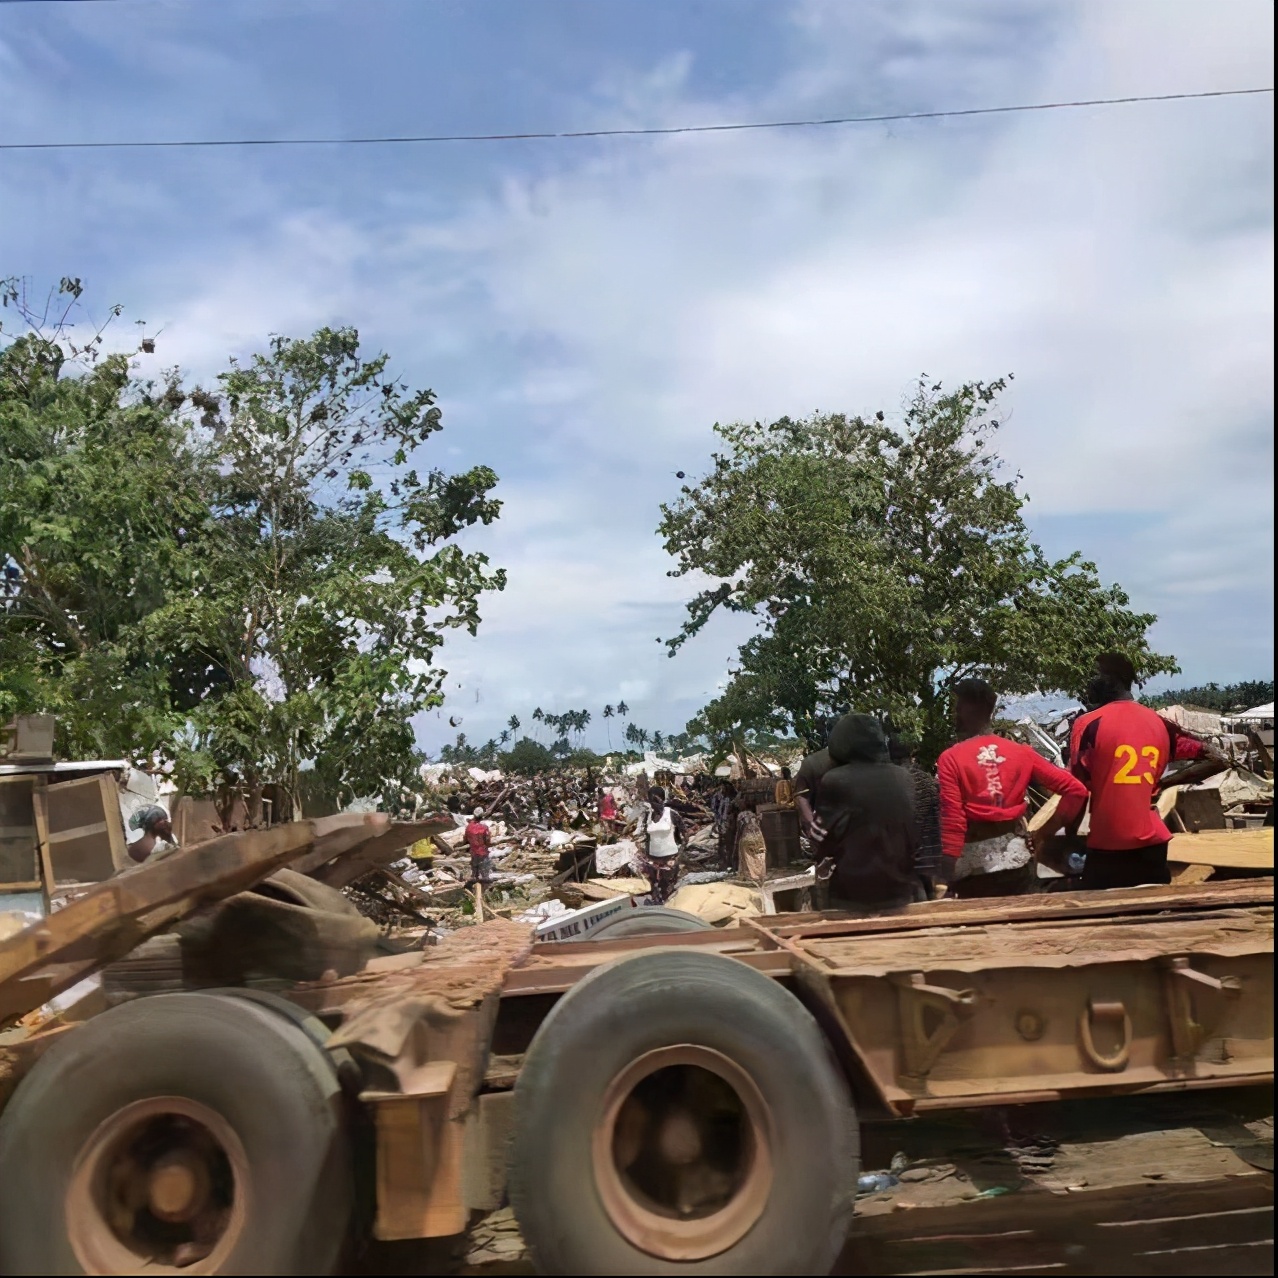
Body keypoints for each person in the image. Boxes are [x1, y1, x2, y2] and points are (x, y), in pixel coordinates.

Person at [1069, 653, 1227, 889]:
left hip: (1108, 845)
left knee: (1101, 918)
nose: (1090, 682)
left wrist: (1069, 837)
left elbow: (1077, 789)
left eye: (1096, 675)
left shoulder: (1087, 724)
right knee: (1154, 915)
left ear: (1113, 679)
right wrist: (1165, 783)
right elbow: (1217, 758)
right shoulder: (1159, 723)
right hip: (1153, 846)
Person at [936, 679, 1088, 898]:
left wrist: (946, 870)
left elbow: (953, 821)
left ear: (968, 709)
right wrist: (1044, 833)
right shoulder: (1021, 752)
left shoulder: (950, 758)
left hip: (974, 872)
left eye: (958, 707)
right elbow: (1076, 791)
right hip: (1017, 861)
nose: (955, 713)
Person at [811, 714, 921, 912]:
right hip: (901, 893)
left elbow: (819, 840)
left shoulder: (835, 780)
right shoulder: (904, 777)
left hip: (852, 895)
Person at [889, 735, 944, 896]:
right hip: (927, 855)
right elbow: (937, 816)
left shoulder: (887, 782)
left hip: (899, 857)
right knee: (927, 896)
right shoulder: (927, 780)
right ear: (911, 753)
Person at [639, 786, 686, 903]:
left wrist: (678, 857)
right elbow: (647, 837)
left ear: (663, 799)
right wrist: (646, 855)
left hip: (670, 858)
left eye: (656, 800)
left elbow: (686, 836)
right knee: (654, 890)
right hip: (653, 859)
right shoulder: (648, 816)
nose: (654, 804)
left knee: (669, 892)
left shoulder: (672, 814)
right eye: (651, 801)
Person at [465, 806, 493, 884]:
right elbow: (487, 840)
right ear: (482, 816)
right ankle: (484, 890)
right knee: (485, 874)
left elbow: (466, 839)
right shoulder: (484, 827)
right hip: (483, 852)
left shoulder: (469, 827)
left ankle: (475, 889)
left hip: (473, 852)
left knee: (475, 872)